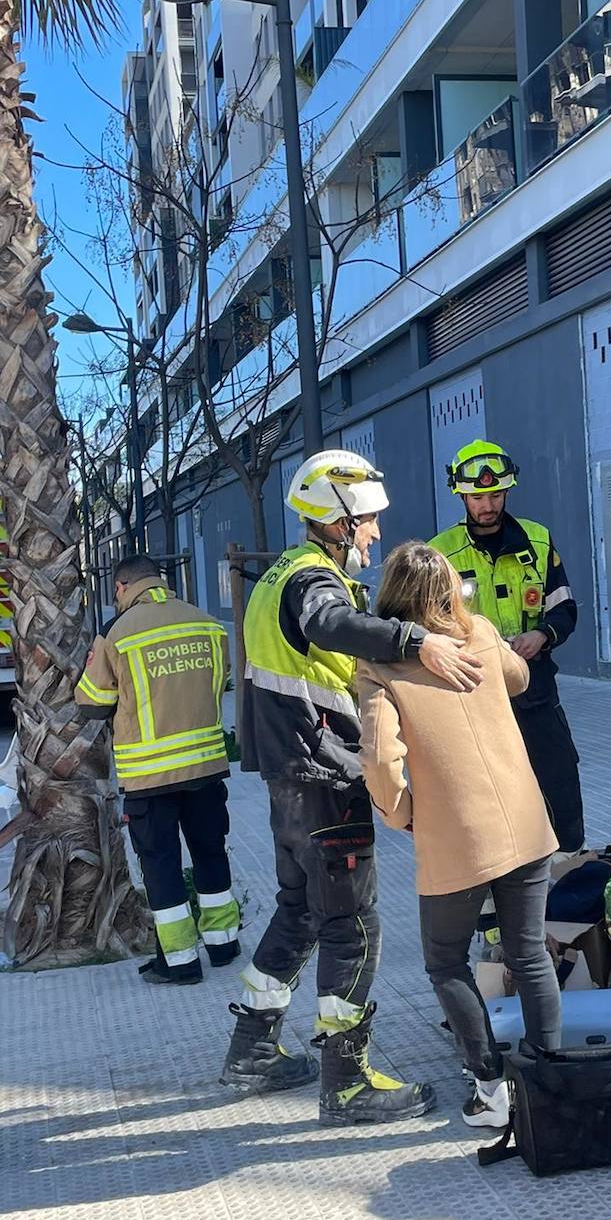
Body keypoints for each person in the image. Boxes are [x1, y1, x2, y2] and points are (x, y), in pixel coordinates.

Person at [220, 450, 484, 1127]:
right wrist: (414, 640)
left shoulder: (281, 572)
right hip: (321, 779)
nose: (370, 533)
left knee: (300, 914)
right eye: (365, 520)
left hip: (289, 779)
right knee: (355, 927)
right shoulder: (312, 581)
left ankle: (252, 1054)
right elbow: (325, 624)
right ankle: (346, 1083)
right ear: (336, 518)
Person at [358, 542, 560, 1129]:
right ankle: (546, 1080)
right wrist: (485, 640)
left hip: (454, 833)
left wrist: (401, 813)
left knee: (446, 961)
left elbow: (377, 754)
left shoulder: (377, 665)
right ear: (450, 589)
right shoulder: (479, 633)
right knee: (527, 952)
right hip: (524, 820)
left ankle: (492, 1090)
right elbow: (520, 678)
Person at [74, 554, 239, 985]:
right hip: (205, 767)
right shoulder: (205, 623)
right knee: (210, 852)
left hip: (150, 777)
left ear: (121, 586)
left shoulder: (116, 634)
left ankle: (181, 961)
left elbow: (91, 702)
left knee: (162, 865)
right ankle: (224, 944)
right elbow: (221, 683)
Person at [430, 440, 584, 852]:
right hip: (474, 695)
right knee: (488, 796)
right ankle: (498, 893)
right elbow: (426, 629)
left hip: (535, 691)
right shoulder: (440, 553)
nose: (487, 505)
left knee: (559, 780)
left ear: (508, 491)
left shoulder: (537, 541)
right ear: (461, 495)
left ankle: (567, 872)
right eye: (478, 496)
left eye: (495, 494)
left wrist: (543, 635)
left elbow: (565, 610)